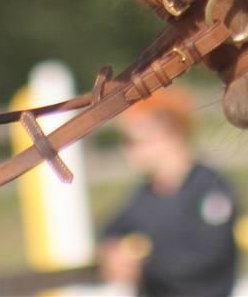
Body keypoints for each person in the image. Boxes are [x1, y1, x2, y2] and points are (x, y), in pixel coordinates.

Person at [99, 87, 238, 297]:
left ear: (169, 133)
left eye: (134, 140)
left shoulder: (210, 188)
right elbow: (111, 227)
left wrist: (142, 267)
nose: (126, 150)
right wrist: (112, 250)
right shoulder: (145, 194)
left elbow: (206, 259)